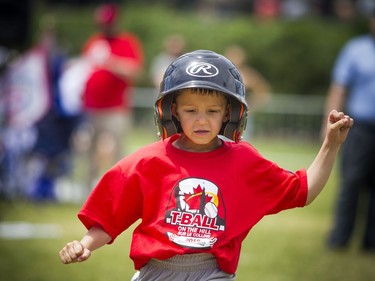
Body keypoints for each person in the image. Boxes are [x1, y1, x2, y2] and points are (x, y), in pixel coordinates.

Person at [59, 50, 353, 280]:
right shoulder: (149, 160)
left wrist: (330, 144)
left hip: (213, 273)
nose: (201, 119)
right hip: (156, 272)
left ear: (229, 113)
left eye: (212, 111)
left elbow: (303, 191)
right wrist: (85, 244)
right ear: (172, 111)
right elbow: (111, 216)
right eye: (191, 110)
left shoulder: (243, 160)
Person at [323, 10, 375, 252]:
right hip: (361, 128)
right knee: (351, 182)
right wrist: (330, 123)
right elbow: (339, 88)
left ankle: (371, 242)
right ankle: (340, 238)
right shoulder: (356, 49)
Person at [81, 3, 144, 189]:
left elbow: (135, 71)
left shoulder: (126, 42)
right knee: (89, 150)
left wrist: (111, 62)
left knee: (117, 150)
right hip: (91, 107)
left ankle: (119, 187)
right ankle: (88, 188)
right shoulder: (94, 41)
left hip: (115, 108)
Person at [224, 44, 271, 140]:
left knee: (241, 142)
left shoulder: (247, 74)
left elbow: (262, 91)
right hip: (225, 113)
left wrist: (252, 106)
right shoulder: (222, 73)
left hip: (242, 115)